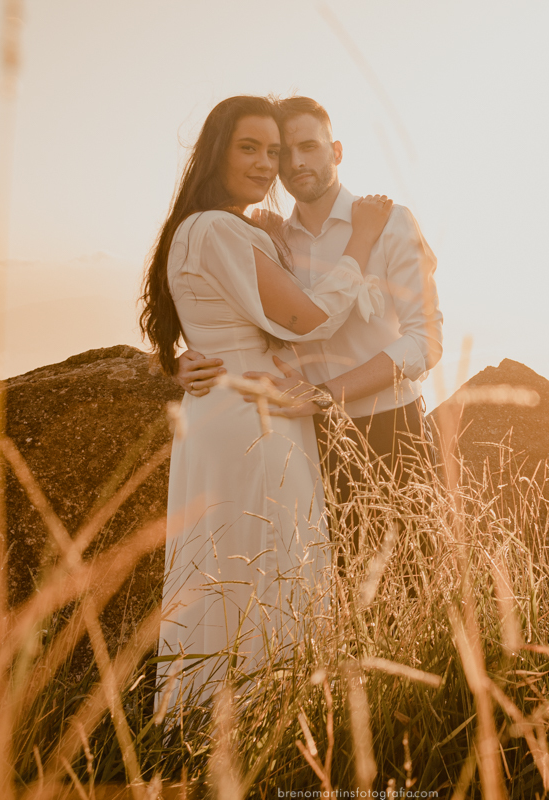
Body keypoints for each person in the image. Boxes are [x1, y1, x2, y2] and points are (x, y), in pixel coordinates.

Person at [141, 95, 393, 696]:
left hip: (227, 412)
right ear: (215, 152)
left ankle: (205, 720)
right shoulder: (218, 227)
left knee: (225, 568)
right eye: (248, 147)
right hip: (255, 421)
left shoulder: (200, 228)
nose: (264, 164)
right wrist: (361, 240)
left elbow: (212, 322)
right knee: (267, 566)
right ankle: (263, 718)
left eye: (272, 152)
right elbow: (306, 318)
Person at [176, 96, 443, 554]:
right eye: (283, 152)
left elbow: (426, 341)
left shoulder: (390, 223)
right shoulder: (267, 239)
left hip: (391, 430)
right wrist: (190, 360)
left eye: (310, 147)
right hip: (302, 437)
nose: (296, 162)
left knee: (412, 586)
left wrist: (325, 395)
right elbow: (239, 321)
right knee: (321, 594)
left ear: (336, 151)